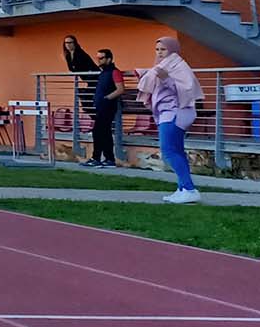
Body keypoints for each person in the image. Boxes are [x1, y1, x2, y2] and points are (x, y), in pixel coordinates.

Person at [138, 37, 204, 204]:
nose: (159, 52)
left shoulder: (179, 66)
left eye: (163, 49)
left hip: (174, 112)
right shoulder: (161, 66)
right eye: (157, 49)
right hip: (165, 112)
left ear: (172, 50)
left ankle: (189, 189)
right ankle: (182, 188)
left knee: (168, 150)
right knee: (177, 151)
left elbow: (186, 89)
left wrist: (166, 79)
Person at [87, 48, 126, 168]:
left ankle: (98, 158)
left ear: (109, 59)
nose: (99, 60)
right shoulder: (103, 73)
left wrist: (106, 98)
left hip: (108, 107)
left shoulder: (114, 72)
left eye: (101, 58)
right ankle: (107, 159)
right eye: (97, 58)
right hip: (101, 107)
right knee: (104, 133)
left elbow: (120, 89)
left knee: (99, 132)